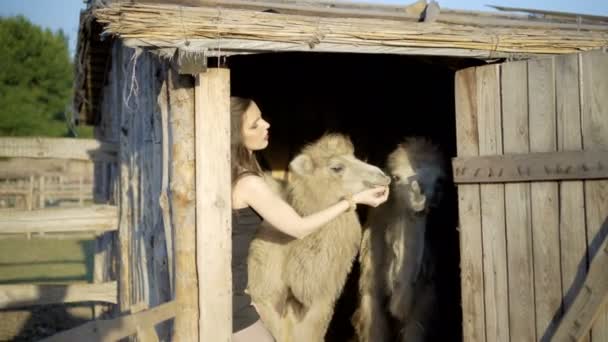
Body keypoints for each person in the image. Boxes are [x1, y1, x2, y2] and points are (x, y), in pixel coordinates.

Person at [230, 97, 390, 342]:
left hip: (235, 297)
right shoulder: (250, 183)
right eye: (255, 125)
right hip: (235, 304)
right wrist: (351, 202)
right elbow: (298, 228)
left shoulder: (241, 172)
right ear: (236, 136)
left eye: (262, 117)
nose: (267, 124)